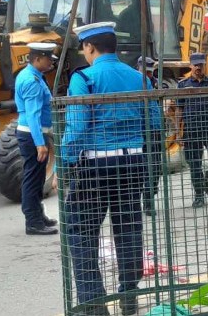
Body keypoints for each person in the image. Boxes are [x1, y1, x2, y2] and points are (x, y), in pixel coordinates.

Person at [60, 22, 158, 315]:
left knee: (81, 231)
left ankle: (94, 303)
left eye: (84, 49)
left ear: (89, 47)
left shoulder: (84, 78)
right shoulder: (140, 78)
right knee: (128, 228)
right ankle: (129, 292)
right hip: (132, 162)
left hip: (94, 167)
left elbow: (76, 128)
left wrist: (65, 159)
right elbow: (154, 124)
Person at [14, 43, 59, 236]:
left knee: (37, 177)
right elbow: (32, 115)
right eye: (48, 58)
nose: (51, 62)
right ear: (37, 58)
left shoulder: (33, 76)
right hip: (32, 135)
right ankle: (32, 221)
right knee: (32, 179)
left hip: (34, 133)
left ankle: (38, 215)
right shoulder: (32, 80)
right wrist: (39, 143)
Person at [178, 53, 208, 208]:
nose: (198, 68)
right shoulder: (183, 85)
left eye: (201, 65)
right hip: (191, 128)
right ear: (191, 66)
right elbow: (179, 109)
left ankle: (207, 183)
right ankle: (199, 195)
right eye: (196, 65)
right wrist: (179, 132)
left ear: (205, 65)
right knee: (195, 164)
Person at [137, 55, 164, 216]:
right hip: (138, 131)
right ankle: (146, 202)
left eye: (149, 72)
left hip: (155, 130)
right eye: (145, 72)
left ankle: (150, 194)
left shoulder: (155, 82)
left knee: (155, 168)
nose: (147, 75)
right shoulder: (134, 82)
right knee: (142, 169)